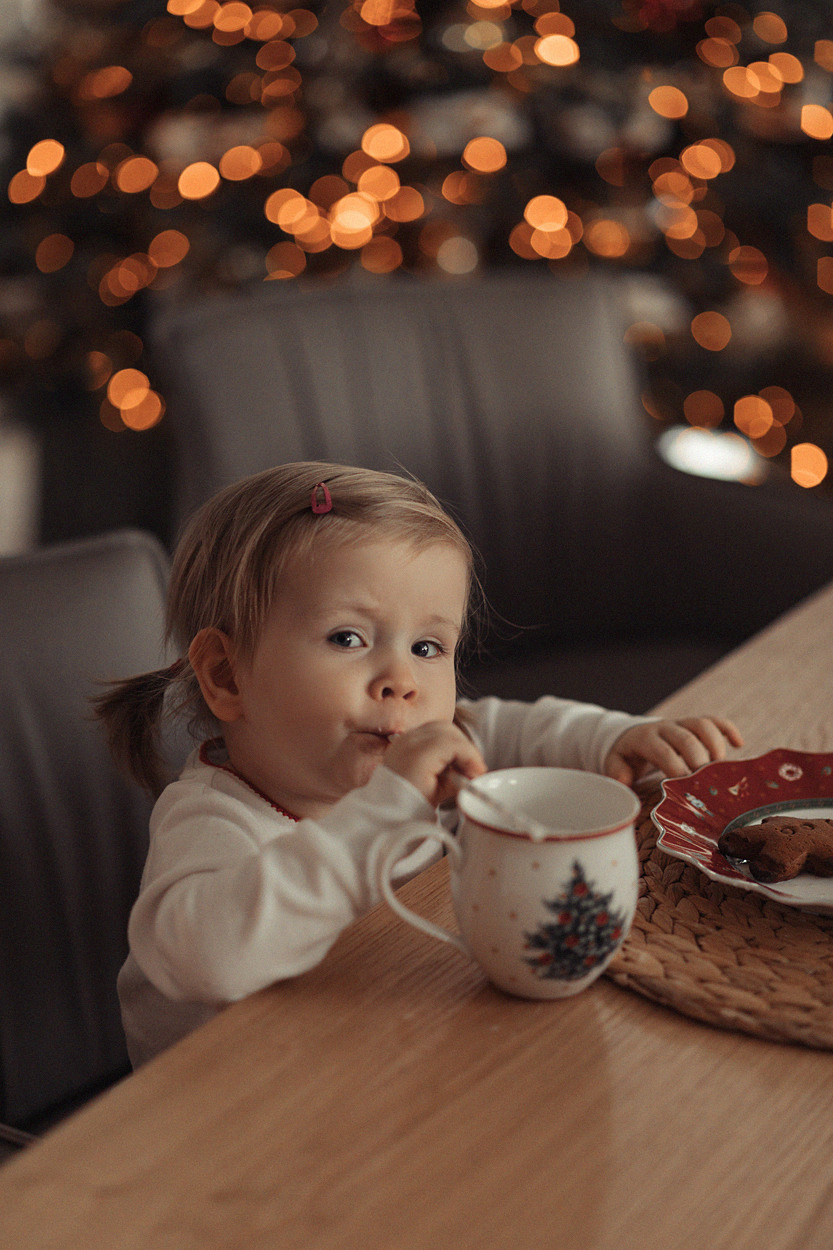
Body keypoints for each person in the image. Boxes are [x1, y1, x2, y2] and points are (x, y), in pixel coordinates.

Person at [95, 461, 743, 1066]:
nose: (401, 679)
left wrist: (608, 740)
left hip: (376, 1055)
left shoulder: (410, 753)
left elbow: (503, 726)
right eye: (348, 638)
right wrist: (386, 810)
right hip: (226, 1117)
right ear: (226, 674)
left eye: (428, 645)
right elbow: (211, 959)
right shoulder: (212, 820)